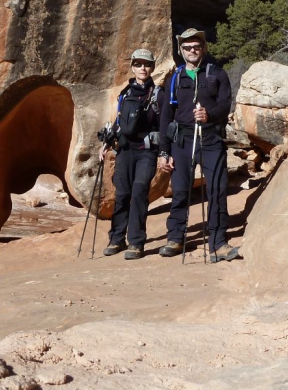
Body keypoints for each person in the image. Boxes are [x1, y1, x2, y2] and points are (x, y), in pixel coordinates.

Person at [158, 28, 240, 262]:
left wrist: (209, 115)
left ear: (203, 48)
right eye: (187, 47)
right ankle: (175, 237)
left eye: (196, 46)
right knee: (181, 190)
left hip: (211, 139)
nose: (192, 50)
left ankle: (218, 242)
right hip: (182, 140)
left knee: (216, 188)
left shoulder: (217, 74)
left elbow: (225, 105)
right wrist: (164, 151)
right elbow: (166, 116)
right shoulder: (175, 78)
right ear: (181, 51)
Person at [99, 49, 163, 260]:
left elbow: (165, 125)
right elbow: (119, 122)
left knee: (138, 192)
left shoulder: (157, 94)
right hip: (125, 150)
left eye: (146, 64)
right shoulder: (125, 93)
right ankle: (117, 239)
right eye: (138, 64)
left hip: (146, 151)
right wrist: (107, 143)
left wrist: (165, 152)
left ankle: (136, 242)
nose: (142, 68)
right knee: (123, 194)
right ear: (133, 67)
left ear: (152, 67)